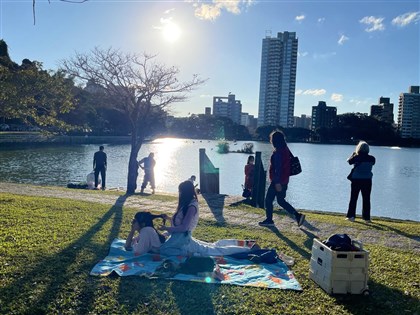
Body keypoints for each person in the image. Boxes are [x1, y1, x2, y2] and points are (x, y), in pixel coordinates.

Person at [158, 181, 257, 257]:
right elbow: (179, 223)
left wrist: (167, 228)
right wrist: (168, 218)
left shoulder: (191, 207)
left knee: (214, 250)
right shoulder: (186, 204)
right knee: (214, 245)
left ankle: (249, 249)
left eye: (180, 192)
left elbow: (184, 227)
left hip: (184, 240)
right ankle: (246, 244)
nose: (179, 194)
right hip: (181, 238)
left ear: (185, 193)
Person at [259, 130, 305, 227]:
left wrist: (277, 182)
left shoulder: (279, 152)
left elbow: (278, 168)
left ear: (274, 140)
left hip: (277, 181)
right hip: (284, 180)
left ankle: (269, 220)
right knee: (281, 201)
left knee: (268, 200)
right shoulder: (285, 149)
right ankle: (297, 215)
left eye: (271, 139)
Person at [345, 141, 376, 223]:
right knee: (366, 199)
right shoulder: (372, 158)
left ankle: (351, 216)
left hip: (356, 180)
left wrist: (353, 155)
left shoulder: (356, 157)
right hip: (367, 180)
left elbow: (349, 162)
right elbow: (373, 164)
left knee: (353, 198)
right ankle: (367, 218)